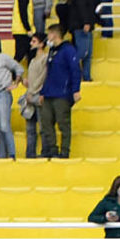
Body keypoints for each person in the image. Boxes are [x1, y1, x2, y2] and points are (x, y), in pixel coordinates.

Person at [34, 23, 82, 159]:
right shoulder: (52, 51)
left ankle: (65, 151)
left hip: (62, 93)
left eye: (49, 34)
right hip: (49, 93)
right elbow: (49, 74)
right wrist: (43, 92)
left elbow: (75, 70)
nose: (47, 37)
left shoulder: (68, 50)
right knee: (46, 122)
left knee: (63, 123)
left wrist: (75, 90)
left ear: (55, 34)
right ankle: (52, 149)